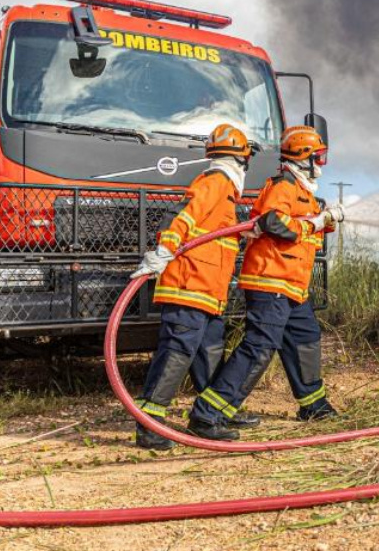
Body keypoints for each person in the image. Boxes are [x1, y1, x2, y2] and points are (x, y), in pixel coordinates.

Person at [187, 125, 343, 440]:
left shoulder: (304, 192)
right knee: (259, 347)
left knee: (305, 337)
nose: (321, 163)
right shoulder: (284, 185)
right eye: (318, 157)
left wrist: (324, 220)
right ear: (302, 157)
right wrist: (315, 223)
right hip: (270, 281)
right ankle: (208, 414)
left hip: (292, 286)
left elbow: (303, 226)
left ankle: (313, 405)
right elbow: (273, 221)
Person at [130, 124, 261, 449]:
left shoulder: (225, 193)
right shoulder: (216, 182)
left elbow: (213, 232)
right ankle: (149, 424)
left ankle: (209, 417)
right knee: (177, 353)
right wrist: (163, 252)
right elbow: (185, 218)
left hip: (207, 294)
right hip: (189, 288)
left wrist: (246, 231)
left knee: (209, 353)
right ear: (242, 159)